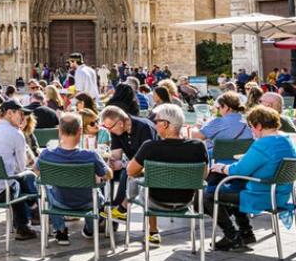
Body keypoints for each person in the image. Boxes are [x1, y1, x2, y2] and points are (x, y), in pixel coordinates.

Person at [206, 105, 296, 251]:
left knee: (208, 195)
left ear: (259, 126)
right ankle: (246, 233)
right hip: (280, 194)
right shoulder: (286, 140)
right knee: (234, 186)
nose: (251, 130)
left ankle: (232, 237)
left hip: (262, 196)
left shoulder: (263, 144)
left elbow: (239, 170)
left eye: (251, 126)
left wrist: (221, 167)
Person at [127, 104, 208, 246]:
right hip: (185, 201)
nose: (154, 125)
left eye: (156, 121)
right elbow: (203, 176)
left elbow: (130, 171)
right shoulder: (198, 146)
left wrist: (150, 173)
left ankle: (153, 231)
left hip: (156, 201)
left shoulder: (150, 147)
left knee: (143, 185)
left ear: (165, 124)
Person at [36, 113, 112, 245]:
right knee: (96, 194)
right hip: (88, 202)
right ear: (80, 131)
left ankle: (60, 230)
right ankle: (90, 229)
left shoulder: (46, 155)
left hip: (60, 202)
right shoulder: (91, 156)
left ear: (59, 131)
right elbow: (108, 175)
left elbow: (36, 170)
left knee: (46, 188)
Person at [0, 101, 38, 240]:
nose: (23, 117)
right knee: (22, 180)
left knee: (14, 181)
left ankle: (31, 213)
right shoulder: (16, 133)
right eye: (20, 113)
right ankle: (26, 221)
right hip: (0, 192)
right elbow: (21, 168)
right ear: (10, 113)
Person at [100, 105, 158, 221]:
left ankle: (119, 209)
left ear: (120, 123)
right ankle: (103, 208)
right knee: (104, 171)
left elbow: (147, 159)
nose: (109, 130)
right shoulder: (116, 131)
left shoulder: (144, 127)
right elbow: (116, 155)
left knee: (126, 173)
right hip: (132, 164)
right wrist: (111, 162)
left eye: (110, 127)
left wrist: (122, 164)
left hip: (151, 167)